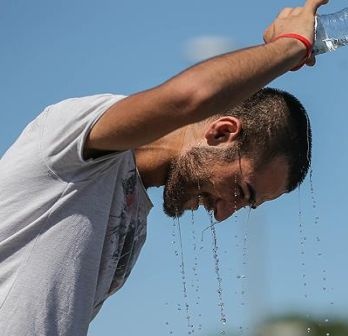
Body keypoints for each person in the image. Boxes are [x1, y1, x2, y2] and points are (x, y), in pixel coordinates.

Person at [0, 0, 327, 334]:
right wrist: (291, 46)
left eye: (244, 205)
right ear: (222, 133)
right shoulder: (74, 142)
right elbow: (189, 97)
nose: (224, 213)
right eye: (239, 191)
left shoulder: (134, 224)